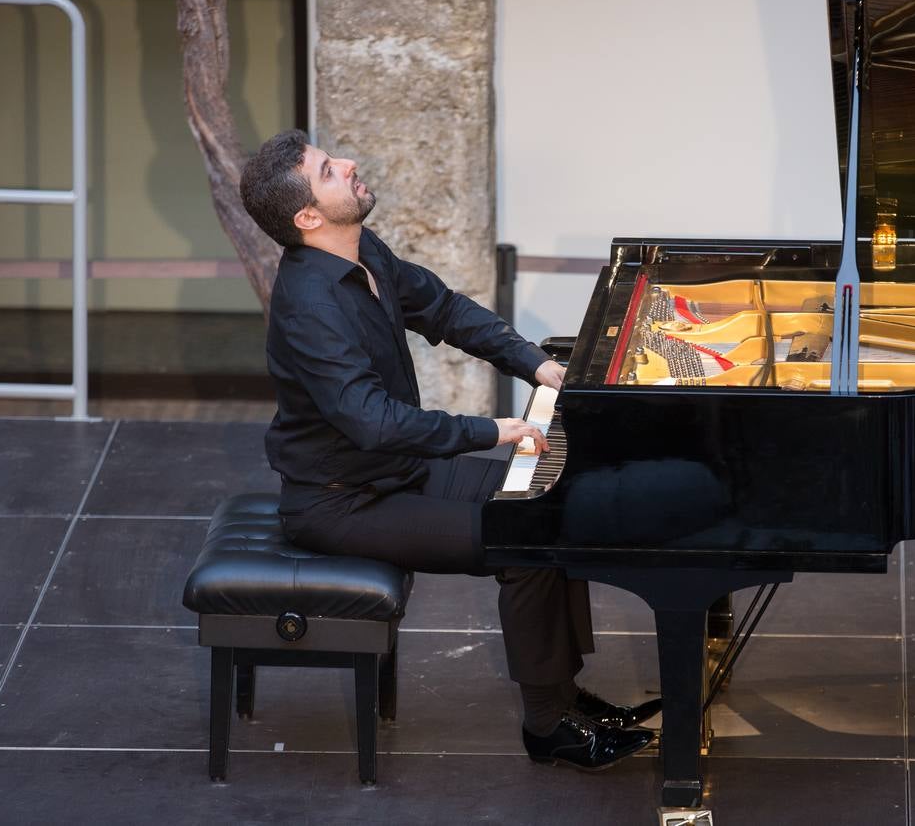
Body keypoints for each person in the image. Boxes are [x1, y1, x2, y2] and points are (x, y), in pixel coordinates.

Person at [238, 129, 660, 771]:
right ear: (307, 217)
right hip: (341, 502)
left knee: (547, 504)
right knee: (524, 542)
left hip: (396, 473)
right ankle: (547, 727)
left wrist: (535, 364)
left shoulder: (362, 254)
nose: (348, 163)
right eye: (329, 169)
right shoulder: (309, 305)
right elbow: (374, 422)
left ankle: (567, 700)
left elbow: (442, 308)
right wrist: (490, 430)